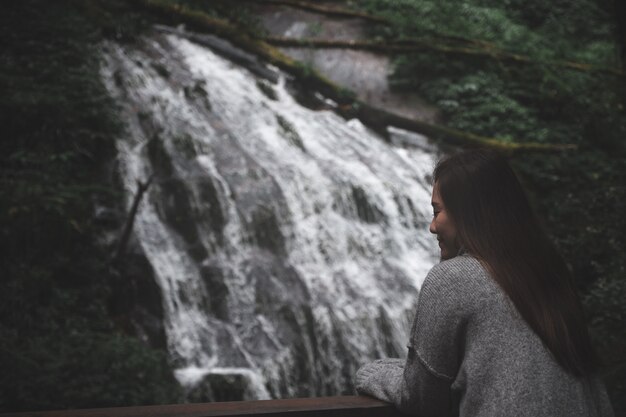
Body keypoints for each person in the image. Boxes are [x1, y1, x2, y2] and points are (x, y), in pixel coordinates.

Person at [355, 149, 614, 417]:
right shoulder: (549, 272)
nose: (432, 226)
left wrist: (372, 373)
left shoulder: (453, 278)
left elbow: (421, 399)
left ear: (467, 213)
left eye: (437, 211)